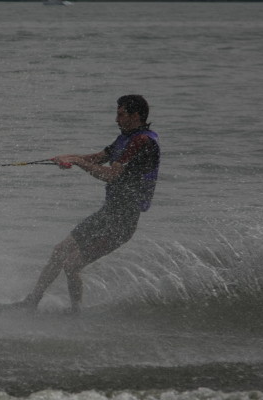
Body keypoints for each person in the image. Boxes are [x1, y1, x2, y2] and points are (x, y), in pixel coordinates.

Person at [13, 95, 160, 314]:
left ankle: (75, 312)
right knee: (60, 252)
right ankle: (32, 303)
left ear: (136, 115)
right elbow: (98, 158)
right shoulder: (125, 139)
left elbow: (111, 175)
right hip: (108, 214)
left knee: (72, 264)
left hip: (123, 221)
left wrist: (78, 162)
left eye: (121, 114)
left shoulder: (141, 142)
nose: (116, 119)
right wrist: (68, 157)